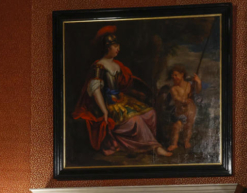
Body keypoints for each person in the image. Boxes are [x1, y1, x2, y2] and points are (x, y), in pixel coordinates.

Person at [72, 26, 172, 158]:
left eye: (118, 45)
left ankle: (147, 146)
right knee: (136, 120)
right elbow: (95, 91)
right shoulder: (98, 66)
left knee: (150, 113)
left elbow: (124, 86)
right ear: (107, 48)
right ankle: (155, 147)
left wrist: (136, 94)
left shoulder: (118, 65)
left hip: (122, 100)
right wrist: (104, 111)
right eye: (115, 46)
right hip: (108, 104)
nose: (118, 48)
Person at [158, 64, 202, 152]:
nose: (174, 77)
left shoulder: (189, 85)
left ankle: (186, 141)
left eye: (176, 75)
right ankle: (174, 144)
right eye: (172, 76)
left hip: (190, 109)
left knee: (188, 126)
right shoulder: (173, 88)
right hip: (179, 110)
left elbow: (198, 91)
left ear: (182, 75)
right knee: (176, 126)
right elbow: (175, 98)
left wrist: (198, 82)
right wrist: (183, 101)